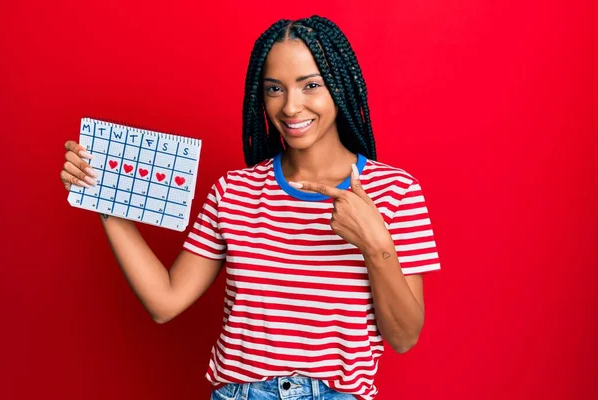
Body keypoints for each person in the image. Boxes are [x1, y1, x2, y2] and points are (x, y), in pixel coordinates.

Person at [60, 15, 441, 400]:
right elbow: (165, 301)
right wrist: (101, 195)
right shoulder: (234, 191)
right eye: (274, 89)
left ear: (339, 87)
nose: (291, 107)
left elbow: (404, 337)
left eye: (311, 85)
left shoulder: (396, 191)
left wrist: (375, 244)